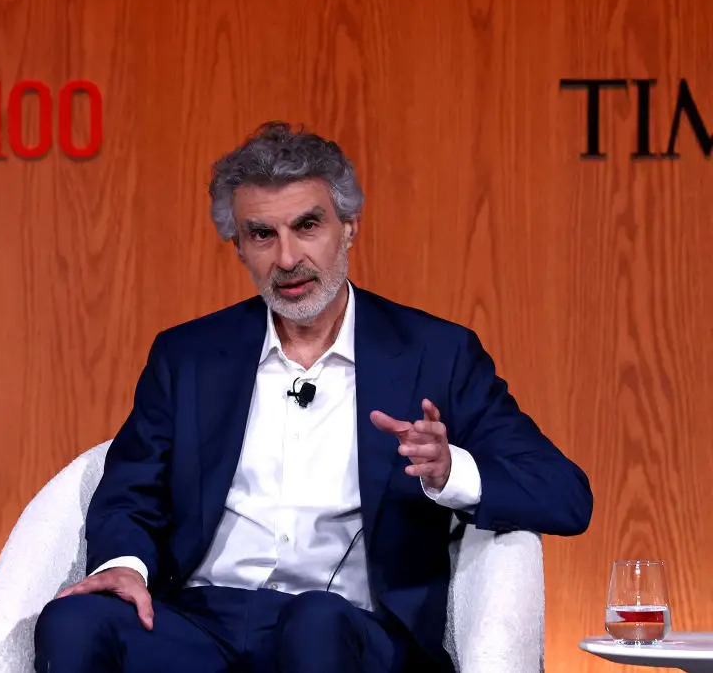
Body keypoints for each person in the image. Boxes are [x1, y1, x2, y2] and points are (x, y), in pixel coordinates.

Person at [33, 121, 593, 673]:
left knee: (315, 624)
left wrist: (450, 473)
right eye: (261, 234)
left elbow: (566, 495)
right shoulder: (188, 355)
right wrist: (126, 565)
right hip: (204, 622)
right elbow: (131, 489)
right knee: (72, 622)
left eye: (307, 226)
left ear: (348, 227)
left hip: (352, 628)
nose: (286, 259)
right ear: (238, 248)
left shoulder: (435, 354)